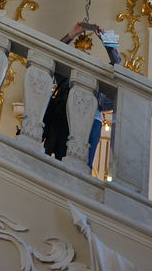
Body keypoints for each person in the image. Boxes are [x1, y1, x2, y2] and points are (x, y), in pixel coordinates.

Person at [42, 22, 122, 168]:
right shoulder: (66, 79)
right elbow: (54, 53)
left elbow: (117, 65)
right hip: (64, 117)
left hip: (91, 121)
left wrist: (108, 42)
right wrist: (72, 34)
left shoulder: (100, 90)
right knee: (59, 161)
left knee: (84, 165)